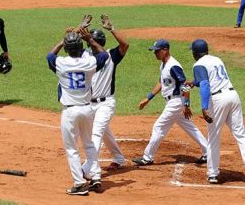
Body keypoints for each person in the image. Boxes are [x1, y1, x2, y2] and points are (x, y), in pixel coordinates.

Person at [47, 20, 109, 196]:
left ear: (67, 49)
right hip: (88, 109)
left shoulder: (61, 63)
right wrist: (89, 38)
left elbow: (50, 56)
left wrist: (64, 38)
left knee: (72, 149)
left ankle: (80, 183)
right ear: (81, 48)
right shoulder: (89, 63)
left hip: (70, 111)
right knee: (89, 144)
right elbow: (103, 55)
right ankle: (96, 176)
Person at [189, 39, 245, 186]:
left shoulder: (198, 64)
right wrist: (194, 82)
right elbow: (212, 78)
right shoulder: (217, 59)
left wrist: (204, 107)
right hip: (233, 96)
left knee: (213, 136)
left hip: (218, 100)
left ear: (195, 53)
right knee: (241, 134)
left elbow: (206, 84)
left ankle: (212, 174)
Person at [132, 39, 208, 166]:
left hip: (176, 102)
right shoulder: (163, 65)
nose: (155, 54)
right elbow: (161, 82)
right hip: (173, 102)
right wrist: (148, 98)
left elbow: (185, 85)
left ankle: (147, 157)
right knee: (191, 128)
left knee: (158, 127)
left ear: (165, 50)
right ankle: (208, 152)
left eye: (157, 51)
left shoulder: (174, 66)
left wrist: (186, 104)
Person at [81, 15, 129, 172]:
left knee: (96, 133)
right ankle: (119, 158)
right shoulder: (85, 56)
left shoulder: (111, 56)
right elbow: (70, 41)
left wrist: (112, 28)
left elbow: (125, 44)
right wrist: (80, 27)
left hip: (105, 104)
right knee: (105, 132)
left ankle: (89, 168)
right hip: (89, 104)